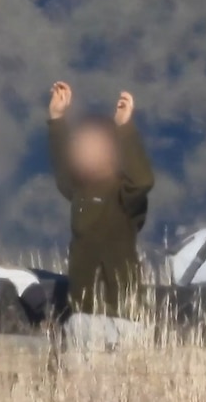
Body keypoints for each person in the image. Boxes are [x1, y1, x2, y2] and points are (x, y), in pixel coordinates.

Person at [47, 82, 154, 362]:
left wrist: (124, 127)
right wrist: (57, 119)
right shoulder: (81, 193)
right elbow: (63, 176)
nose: (83, 151)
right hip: (81, 315)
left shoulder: (124, 195)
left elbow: (143, 180)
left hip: (122, 318)